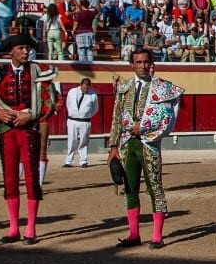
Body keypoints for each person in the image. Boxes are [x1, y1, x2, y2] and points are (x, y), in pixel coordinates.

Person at [0, 34, 59, 244]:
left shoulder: (38, 71)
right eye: (21, 48)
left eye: (28, 48)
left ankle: (31, 228)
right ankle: (14, 228)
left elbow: (50, 102)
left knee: (32, 178)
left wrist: (31, 115)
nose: (26, 52)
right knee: (10, 179)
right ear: (11, 51)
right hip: (6, 130)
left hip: (29, 129)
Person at [111, 48, 181, 248]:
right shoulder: (124, 87)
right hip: (126, 143)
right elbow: (116, 118)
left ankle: (157, 235)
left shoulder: (161, 87)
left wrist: (143, 128)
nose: (142, 66)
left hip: (149, 143)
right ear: (132, 64)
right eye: (138, 62)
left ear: (151, 63)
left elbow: (167, 118)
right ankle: (134, 234)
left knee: (155, 188)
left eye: (145, 62)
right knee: (129, 188)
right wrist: (113, 146)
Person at [63, 77, 100, 168]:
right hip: (72, 120)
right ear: (81, 85)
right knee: (71, 141)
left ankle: (83, 161)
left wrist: (86, 115)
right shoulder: (72, 92)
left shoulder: (93, 95)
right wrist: (73, 113)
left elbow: (95, 108)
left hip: (85, 121)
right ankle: (69, 161)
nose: (86, 89)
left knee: (84, 141)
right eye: (84, 87)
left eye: (87, 88)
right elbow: (68, 103)